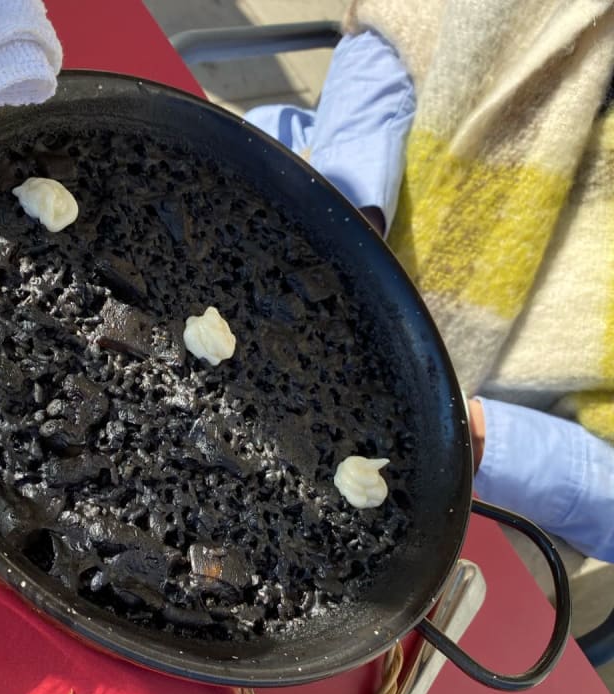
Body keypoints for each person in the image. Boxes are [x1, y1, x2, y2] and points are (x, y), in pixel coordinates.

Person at [244, 1, 614, 563]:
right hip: (331, 213)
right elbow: (402, 27)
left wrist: (471, 433)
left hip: (492, 476)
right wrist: (351, 223)